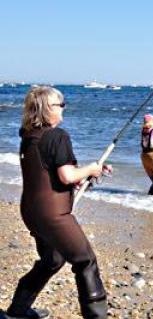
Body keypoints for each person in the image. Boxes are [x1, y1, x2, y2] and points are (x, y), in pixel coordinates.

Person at [5, 86, 111, 319]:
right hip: (53, 214)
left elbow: (49, 175)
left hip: (31, 211)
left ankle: (17, 311)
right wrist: (90, 169)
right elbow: (67, 176)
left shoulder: (28, 135)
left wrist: (89, 174)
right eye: (59, 104)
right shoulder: (57, 135)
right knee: (85, 261)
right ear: (46, 109)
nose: (63, 108)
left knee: (52, 259)